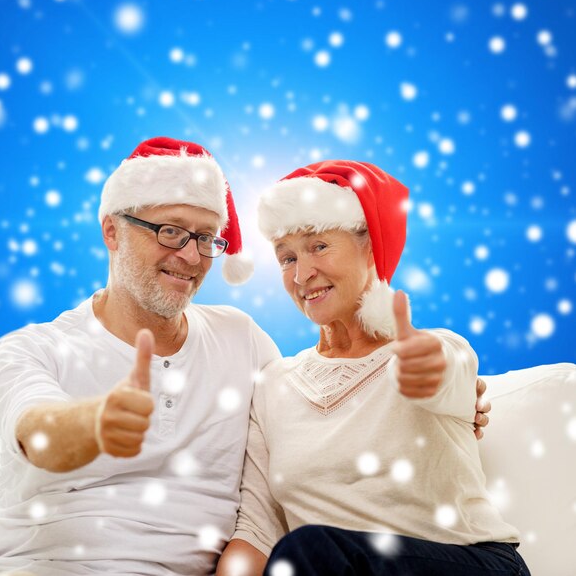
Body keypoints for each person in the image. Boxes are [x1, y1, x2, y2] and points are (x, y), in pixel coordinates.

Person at [0, 139, 489, 576]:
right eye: (170, 231)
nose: (192, 256)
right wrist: (94, 424)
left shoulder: (241, 341)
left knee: (303, 554)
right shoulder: (31, 348)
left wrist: (449, 385)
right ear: (111, 231)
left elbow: (435, 374)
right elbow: (36, 430)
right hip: (43, 565)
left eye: (204, 238)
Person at [217, 160, 529, 576]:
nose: (302, 274)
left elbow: (446, 373)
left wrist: (423, 367)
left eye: (319, 246)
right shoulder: (274, 385)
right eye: (286, 258)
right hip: (324, 565)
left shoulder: (434, 347)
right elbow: (257, 530)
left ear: (370, 247)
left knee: (311, 549)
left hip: (469, 564)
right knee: (305, 553)